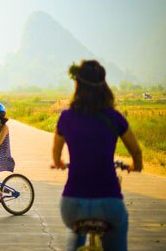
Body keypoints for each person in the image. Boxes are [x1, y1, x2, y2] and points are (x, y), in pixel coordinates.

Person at [52, 60, 143, 251]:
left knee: (74, 235)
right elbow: (136, 151)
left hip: (72, 204)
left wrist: (59, 163)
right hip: (108, 202)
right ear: (104, 86)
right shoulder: (115, 117)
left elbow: (56, 152)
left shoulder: (66, 117)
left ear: (77, 85)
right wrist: (136, 166)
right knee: (120, 226)